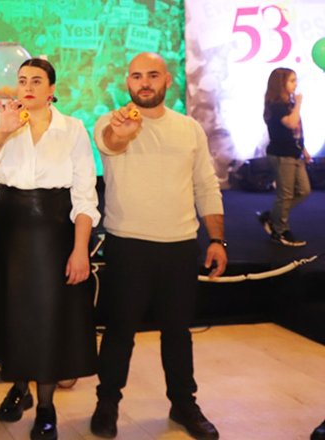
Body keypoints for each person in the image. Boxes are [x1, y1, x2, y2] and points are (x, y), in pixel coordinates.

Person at [90, 52, 227, 440]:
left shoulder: (189, 128)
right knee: (119, 331)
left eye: (152, 75)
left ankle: (184, 404)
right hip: (127, 245)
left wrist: (217, 239)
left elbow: (206, 185)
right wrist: (123, 132)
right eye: (136, 76)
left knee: (178, 333)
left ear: (168, 80)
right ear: (127, 81)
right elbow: (111, 144)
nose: (144, 82)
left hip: (180, 246)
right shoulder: (111, 122)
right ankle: (106, 404)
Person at [0, 58, 100, 440]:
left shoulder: (72, 129)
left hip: (55, 232)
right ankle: (19, 388)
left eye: (36, 81)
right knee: (13, 314)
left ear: (51, 89)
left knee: (48, 320)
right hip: (11, 230)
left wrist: (81, 250)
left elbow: (85, 196)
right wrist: (3, 131)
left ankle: (46, 407)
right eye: (22, 80)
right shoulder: (5, 122)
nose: (27, 87)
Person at [256, 67, 311, 247]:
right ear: (281, 84)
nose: (295, 84)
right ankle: (280, 231)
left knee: (304, 191)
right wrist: (299, 104)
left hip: (294, 153)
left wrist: (304, 149)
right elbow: (291, 124)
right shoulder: (277, 105)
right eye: (292, 81)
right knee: (285, 194)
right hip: (282, 155)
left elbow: (296, 132)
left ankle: (271, 216)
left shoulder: (288, 104)